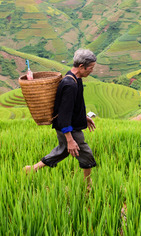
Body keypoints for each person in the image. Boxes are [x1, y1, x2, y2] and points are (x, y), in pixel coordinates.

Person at [24, 49, 97, 188]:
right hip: (68, 127)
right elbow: (64, 113)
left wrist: (84, 118)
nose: (92, 71)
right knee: (85, 153)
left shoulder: (76, 79)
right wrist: (70, 139)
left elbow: (76, 105)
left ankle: (32, 169)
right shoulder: (70, 84)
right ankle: (88, 185)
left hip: (67, 124)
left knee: (63, 151)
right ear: (82, 66)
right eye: (91, 68)